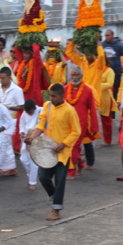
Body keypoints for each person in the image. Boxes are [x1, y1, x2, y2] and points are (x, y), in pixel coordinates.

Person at [25, 83, 81, 221]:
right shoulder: (47, 106)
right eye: (50, 96)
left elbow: (76, 131)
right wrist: (32, 138)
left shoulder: (69, 110)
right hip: (47, 150)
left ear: (62, 96)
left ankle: (56, 210)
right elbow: (41, 125)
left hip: (62, 152)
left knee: (60, 180)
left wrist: (64, 144)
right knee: (43, 176)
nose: (51, 98)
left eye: (54, 96)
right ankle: (55, 198)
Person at [65, 66, 99, 178]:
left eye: (77, 75)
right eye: (73, 75)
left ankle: (71, 172)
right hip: (67, 124)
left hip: (81, 125)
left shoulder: (88, 90)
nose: (74, 77)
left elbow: (93, 110)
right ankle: (80, 163)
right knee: (72, 146)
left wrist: (94, 127)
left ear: (82, 76)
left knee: (73, 146)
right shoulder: (65, 89)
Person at [0, 67, 24, 177]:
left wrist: (9, 107)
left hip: (11, 120)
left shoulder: (17, 90)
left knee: (3, 143)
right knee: (6, 146)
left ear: (10, 78)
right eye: (0, 78)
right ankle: (12, 168)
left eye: (3, 78)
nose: (1, 80)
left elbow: (21, 106)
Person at [65, 40, 105, 109]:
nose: (87, 56)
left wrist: (98, 42)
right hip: (82, 96)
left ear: (94, 54)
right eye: (86, 54)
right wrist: (74, 40)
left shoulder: (99, 64)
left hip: (94, 97)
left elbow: (101, 56)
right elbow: (68, 53)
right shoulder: (82, 62)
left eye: (89, 54)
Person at [19, 99, 42, 190]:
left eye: (30, 112)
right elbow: (22, 125)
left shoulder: (41, 111)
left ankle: (32, 182)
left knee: (33, 162)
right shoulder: (24, 113)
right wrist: (22, 133)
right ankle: (30, 176)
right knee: (23, 159)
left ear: (34, 108)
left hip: (37, 138)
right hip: (26, 139)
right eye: (27, 112)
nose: (28, 113)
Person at [102, 29, 123, 100]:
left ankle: (113, 109)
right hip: (105, 73)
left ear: (112, 36)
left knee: (115, 92)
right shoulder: (102, 44)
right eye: (105, 35)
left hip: (116, 73)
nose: (106, 37)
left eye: (108, 35)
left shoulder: (118, 45)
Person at [100, 57, 118, 146]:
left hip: (106, 98)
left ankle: (107, 140)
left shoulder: (110, 71)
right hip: (96, 97)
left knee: (106, 120)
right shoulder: (97, 68)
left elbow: (110, 84)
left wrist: (97, 85)